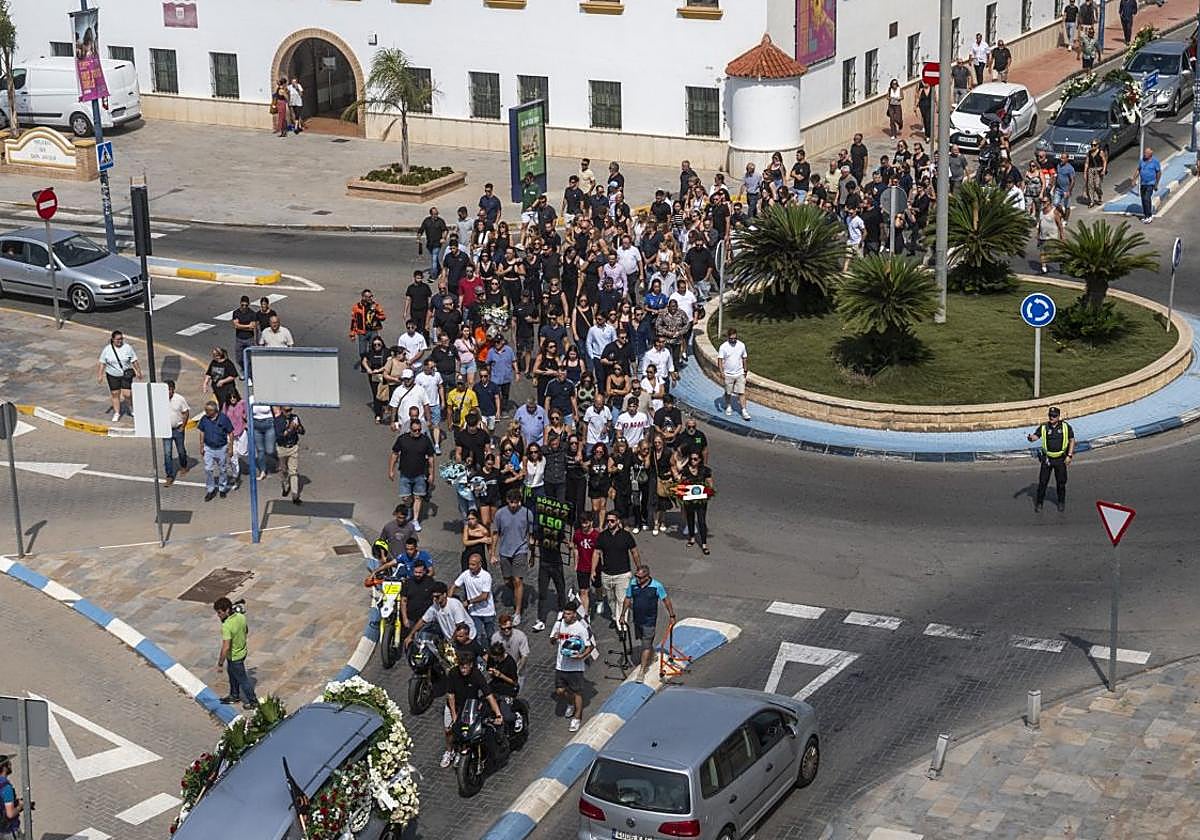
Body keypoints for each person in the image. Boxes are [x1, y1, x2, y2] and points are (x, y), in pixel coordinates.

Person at [443, 651, 505, 768]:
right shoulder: (453, 673)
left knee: (467, 730)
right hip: (454, 706)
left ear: (471, 665)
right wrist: (454, 715)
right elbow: (450, 696)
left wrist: (498, 714)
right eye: (461, 667)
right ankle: (449, 751)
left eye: (465, 667)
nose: (463, 670)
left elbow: (488, 695)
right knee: (449, 730)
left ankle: (461, 752)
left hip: (469, 706)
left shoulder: (477, 675)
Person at [621, 564, 676, 683]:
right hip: (637, 620)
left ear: (647, 576)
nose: (638, 579)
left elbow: (666, 600)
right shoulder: (633, 583)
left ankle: (642, 670)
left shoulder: (656, 586)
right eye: (637, 576)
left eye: (640, 577)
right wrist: (622, 615)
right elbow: (627, 598)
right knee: (643, 641)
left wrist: (672, 616)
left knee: (645, 646)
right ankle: (652, 653)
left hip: (649, 621)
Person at [491, 491, 536, 626]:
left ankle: (517, 612)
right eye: (511, 502)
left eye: (516, 502)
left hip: (520, 550)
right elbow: (495, 533)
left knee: (517, 580)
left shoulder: (527, 513)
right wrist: (493, 553)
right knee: (507, 580)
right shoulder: (500, 514)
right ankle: (519, 594)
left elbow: (531, 535)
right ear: (507, 500)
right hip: (505, 551)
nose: (514, 505)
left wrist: (532, 553)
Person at [550, 601, 594, 733]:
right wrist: (554, 638)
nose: (565, 616)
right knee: (559, 691)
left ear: (574, 614)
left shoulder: (580, 628)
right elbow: (552, 641)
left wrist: (581, 656)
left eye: (568, 614)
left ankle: (577, 717)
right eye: (564, 613)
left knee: (577, 692)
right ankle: (571, 703)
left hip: (575, 668)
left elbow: (590, 646)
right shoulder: (559, 624)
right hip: (561, 665)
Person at [390, 418, 436, 530]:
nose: (417, 432)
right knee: (406, 498)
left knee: (418, 497)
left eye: (419, 430)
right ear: (410, 429)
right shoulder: (402, 439)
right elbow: (395, 454)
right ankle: (409, 508)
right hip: (405, 473)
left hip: (420, 474)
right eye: (415, 430)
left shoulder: (425, 440)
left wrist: (431, 474)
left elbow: (431, 458)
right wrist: (391, 470)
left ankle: (415, 520)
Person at [1026, 406, 1075, 512]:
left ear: (1058, 417)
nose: (1051, 417)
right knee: (1043, 482)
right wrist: (1031, 438)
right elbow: (1036, 436)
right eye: (1050, 415)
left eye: (1054, 416)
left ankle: (1061, 502)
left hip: (1061, 459)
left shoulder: (1065, 427)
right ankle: (1039, 503)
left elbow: (1071, 440)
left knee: (1061, 483)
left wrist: (1069, 455)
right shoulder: (1044, 427)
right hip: (1047, 459)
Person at [214, 596, 258, 710]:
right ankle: (234, 695)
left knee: (243, 680)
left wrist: (220, 664)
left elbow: (226, 647)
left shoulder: (227, 626)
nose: (218, 615)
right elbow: (246, 630)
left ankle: (253, 701)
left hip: (234, 657)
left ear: (227, 610)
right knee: (232, 673)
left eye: (219, 613)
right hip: (242, 652)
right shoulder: (241, 617)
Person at [595, 511, 639, 624]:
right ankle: (615, 617)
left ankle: (622, 623)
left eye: (612, 521)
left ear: (618, 521)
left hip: (623, 574)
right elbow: (596, 553)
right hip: (607, 574)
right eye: (608, 521)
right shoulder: (602, 536)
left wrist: (639, 567)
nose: (609, 523)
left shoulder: (626, 535)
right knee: (611, 600)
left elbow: (634, 552)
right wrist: (592, 571)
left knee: (622, 599)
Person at [97, 330, 141, 422]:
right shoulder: (107, 349)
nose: (120, 341)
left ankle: (131, 409)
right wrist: (100, 375)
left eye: (121, 339)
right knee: (115, 394)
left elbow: (134, 360)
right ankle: (117, 412)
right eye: (118, 339)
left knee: (127, 394)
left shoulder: (127, 348)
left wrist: (138, 371)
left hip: (125, 375)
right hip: (112, 375)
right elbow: (102, 362)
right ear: (113, 339)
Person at [452, 552, 498, 642]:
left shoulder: (486, 576)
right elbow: (454, 586)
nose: (470, 567)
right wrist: (449, 600)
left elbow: (484, 596)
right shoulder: (466, 574)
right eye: (469, 564)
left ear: (480, 564)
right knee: (476, 636)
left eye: (473, 564)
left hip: (487, 612)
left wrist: (468, 602)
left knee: (491, 636)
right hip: (474, 612)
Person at [676, 450, 714, 554]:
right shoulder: (685, 470)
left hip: (701, 501)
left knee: (701, 521)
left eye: (695, 459)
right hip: (689, 500)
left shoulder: (705, 470)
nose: (693, 461)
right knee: (690, 518)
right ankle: (692, 537)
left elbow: (710, 484)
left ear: (700, 460)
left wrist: (707, 491)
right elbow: (681, 483)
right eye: (691, 459)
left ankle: (704, 544)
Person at [196, 400, 233, 501]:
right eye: (206, 410)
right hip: (209, 448)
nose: (206, 412)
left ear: (214, 410)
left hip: (221, 448)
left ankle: (222, 488)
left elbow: (230, 433)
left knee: (222, 469)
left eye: (208, 410)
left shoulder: (224, 419)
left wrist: (231, 448)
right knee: (208, 469)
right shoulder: (204, 419)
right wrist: (201, 446)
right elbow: (202, 432)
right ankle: (210, 489)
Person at [716, 327, 751, 420]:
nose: (733, 340)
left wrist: (745, 370)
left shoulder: (741, 345)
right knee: (728, 392)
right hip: (728, 374)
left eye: (735, 338)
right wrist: (721, 371)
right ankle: (728, 406)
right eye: (731, 338)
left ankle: (744, 410)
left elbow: (744, 358)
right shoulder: (723, 347)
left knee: (741, 392)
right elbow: (720, 360)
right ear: (728, 337)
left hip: (739, 373)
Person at [274, 405, 305, 504]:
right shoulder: (278, 421)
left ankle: (295, 495)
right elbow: (279, 436)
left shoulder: (295, 418)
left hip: (293, 447)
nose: (289, 412)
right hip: (282, 448)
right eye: (287, 410)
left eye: (290, 410)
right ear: (282, 410)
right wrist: (289, 429)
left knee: (293, 471)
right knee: (283, 470)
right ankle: (285, 484)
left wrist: (298, 428)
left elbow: (302, 431)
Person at [163, 379, 191, 488]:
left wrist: (183, 426)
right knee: (167, 453)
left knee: (181, 450)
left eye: (169, 390)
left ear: (173, 389)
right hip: (166, 430)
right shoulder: (159, 399)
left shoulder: (180, 399)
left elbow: (186, 412)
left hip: (178, 429)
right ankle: (169, 475)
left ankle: (183, 466)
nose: (167, 392)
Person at [349, 289, 387, 364]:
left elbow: (383, 316)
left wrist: (376, 315)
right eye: (369, 297)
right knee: (362, 351)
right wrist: (352, 334)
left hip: (373, 331)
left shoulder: (375, 305)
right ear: (363, 297)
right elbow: (354, 321)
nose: (371, 298)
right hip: (362, 332)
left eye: (371, 296)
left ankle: (372, 363)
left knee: (373, 348)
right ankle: (364, 363)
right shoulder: (356, 307)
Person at [1036, 197, 1066, 275]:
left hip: (1053, 236)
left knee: (1055, 253)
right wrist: (1038, 234)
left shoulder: (1054, 212)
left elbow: (1059, 225)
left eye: (1045, 201)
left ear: (1049, 202)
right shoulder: (1041, 212)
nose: (1043, 203)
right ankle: (1044, 268)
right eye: (1042, 202)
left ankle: (1062, 265)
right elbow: (1040, 223)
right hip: (1043, 236)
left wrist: (1062, 235)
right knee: (1042, 252)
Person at [418, 207, 448, 280]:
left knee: (434, 258)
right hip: (429, 244)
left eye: (437, 214)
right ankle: (438, 269)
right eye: (435, 214)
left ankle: (433, 275)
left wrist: (443, 238)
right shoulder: (426, 221)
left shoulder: (440, 221)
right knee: (434, 258)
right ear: (431, 214)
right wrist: (418, 237)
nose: (436, 215)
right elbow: (421, 229)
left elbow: (445, 230)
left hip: (437, 243)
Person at [1136, 147, 1161, 224]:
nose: (1145, 154)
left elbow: (1158, 173)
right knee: (1143, 199)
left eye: (1146, 153)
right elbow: (1138, 169)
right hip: (1143, 183)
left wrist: (1156, 184)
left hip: (1151, 183)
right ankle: (1146, 215)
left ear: (1150, 154)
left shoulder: (1155, 162)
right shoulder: (1142, 161)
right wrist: (1134, 179)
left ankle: (1149, 216)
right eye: (1144, 153)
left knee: (1147, 198)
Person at [1082, 140, 1108, 207]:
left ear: (1097, 145)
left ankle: (1099, 196)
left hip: (1098, 170)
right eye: (1092, 145)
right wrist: (1085, 172)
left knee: (1097, 185)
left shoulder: (1100, 152)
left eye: (1094, 145)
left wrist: (1104, 170)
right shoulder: (1089, 153)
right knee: (1090, 185)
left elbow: (1104, 161)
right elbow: (1087, 163)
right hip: (1091, 170)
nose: (1093, 146)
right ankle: (1092, 201)